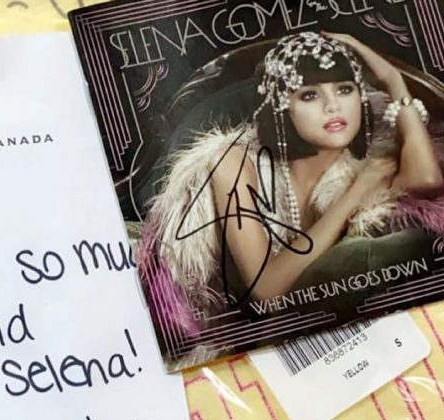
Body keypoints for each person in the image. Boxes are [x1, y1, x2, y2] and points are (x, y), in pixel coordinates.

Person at [139, 30, 444, 354]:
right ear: (283, 107)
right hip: (231, 342)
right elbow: (267, 292)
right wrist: (355, 194)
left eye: (344, 90)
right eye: (310, 95)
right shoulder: (234, 163)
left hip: (335, 337)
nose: (333, 106)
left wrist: (393, 80)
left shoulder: (366, 162)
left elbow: (427, 181)